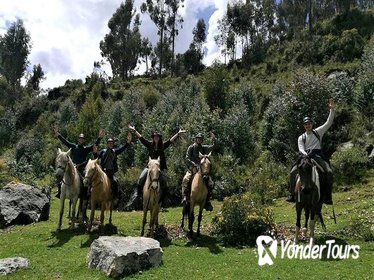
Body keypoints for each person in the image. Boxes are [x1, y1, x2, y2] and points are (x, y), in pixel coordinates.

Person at [286, 98, 336, 204]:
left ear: (311, 124)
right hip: (305, 157)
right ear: (304, 126)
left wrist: (332, 110)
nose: (307, 125)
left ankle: (328, 196)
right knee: (292, 172)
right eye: (306, 124)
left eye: (309, 123)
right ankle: (291, 194)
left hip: (317, 156)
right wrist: (305, 154)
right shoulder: (301, 137)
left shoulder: (318, 132)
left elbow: (328, 123)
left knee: (329, 172)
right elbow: (301, 149)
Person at [128, 125, 186, 207]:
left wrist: (178, 133)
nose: (156, 138)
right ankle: (138, 195)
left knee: (165, 183)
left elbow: (170, 141)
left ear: (159, 138)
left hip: (159, 169)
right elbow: (141, 138)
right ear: (153, 138)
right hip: (150, 168)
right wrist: (134, 130)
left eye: (157, 137)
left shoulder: (162, 146)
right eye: (155, 137)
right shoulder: (149, 144)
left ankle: (164, 199)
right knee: (141, 178)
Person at [53, 127, 104, 198]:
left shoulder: (86, 149)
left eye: (82, 139)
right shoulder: (74, 146)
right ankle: (59, 192)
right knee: (61, 175)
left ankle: (85, 194)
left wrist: (99, 138)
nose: (81, 140)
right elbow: (65, 142)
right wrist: (58, 134)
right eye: (80, 138)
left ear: (84, 140)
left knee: (85, 180)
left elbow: (94, 145)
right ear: (78, 139)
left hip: (81, 168)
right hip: (72, 166)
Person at [182, 132, 216, 211]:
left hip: (202, 170)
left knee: (210, 183)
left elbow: (214, 147)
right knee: (185, 179)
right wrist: (193, 164)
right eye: (198, 138)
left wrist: (214, 140)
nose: (199, 140)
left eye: (200, 139)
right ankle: (185, 196)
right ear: (195, 139)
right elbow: (187, 158)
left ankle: (207, 200)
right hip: (193, 168)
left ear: (202, 140)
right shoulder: (191, 147)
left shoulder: (204, 147)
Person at [93, 132, 132, 199]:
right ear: (107, 144)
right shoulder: (103, 151)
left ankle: (115, 196)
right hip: (103, 172)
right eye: (109, 143)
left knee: (115, 182)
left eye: (111, 143)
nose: (110, 144)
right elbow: (96, 157)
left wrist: (128, 143)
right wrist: (95, 152)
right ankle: (90, 194)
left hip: (111, 172)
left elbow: (122, 149)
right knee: (92, 180)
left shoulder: (115, 151)